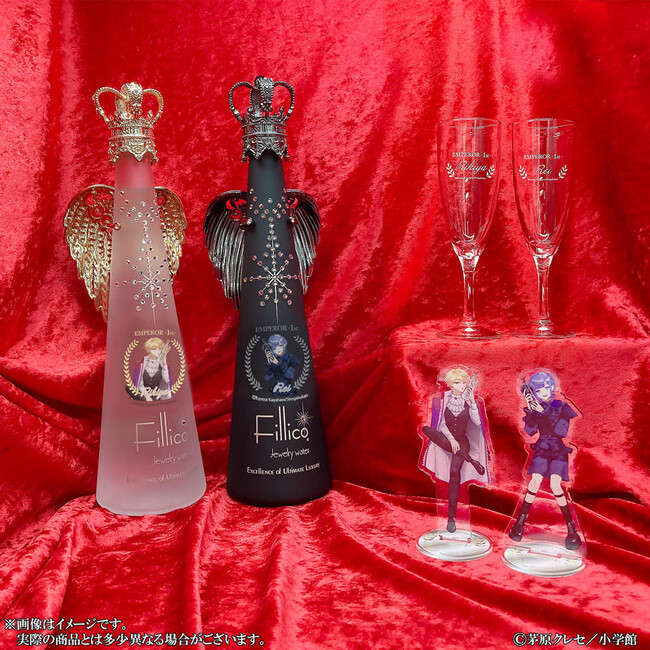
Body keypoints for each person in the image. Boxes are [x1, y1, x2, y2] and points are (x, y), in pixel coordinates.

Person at [508, 370, 582, 550]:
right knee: (534, 482)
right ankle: (520, 523)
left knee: (556, 485)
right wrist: (533, 412)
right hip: (542, 447)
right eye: (539, 390)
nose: (543, 392)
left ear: (551, 387)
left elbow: (561, 431)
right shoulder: (536, 407)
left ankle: (571, 529)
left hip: (557, 449)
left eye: (546, 388)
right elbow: (531, 431)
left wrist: (544, 412)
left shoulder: (560, 406)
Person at [419, 368, 490, 533]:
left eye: (464, 382)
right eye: (458, 382)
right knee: (426, 429)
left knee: (454, 472)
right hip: (447, 441)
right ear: (451, 384)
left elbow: (477, 423)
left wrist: (472, 402)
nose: (462, 385)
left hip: (463, 443)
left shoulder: (469, 402)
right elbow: (441, 424)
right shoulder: (443, 401)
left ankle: (451, 518)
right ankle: (471, 461)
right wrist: (451, 440)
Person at [135, 337, 172, 401]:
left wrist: (164, 364)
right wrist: (147, 396)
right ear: (149, 350)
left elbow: (166, 380)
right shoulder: (142, 364)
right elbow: (140, 384)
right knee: (129, 389)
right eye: (154, 349)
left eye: (159, 349)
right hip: (143, 394)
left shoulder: (162, 365)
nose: (158, 351)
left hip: (157, 395)